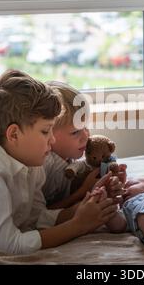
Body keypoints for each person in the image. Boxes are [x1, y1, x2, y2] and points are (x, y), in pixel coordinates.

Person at [0, 69, 118, 254]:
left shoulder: (31, 164)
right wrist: (78, 225)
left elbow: (37, 217)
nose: (52, 140)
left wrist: (83, 207)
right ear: (14, 134)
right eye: (46, 131)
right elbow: (8, 245)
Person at [42, 81, 127, 210]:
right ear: (48, 132)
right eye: (75, 132)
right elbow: (43, 214)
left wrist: (105, 185)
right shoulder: (44, 166)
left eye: (86, 127)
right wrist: (83, 191)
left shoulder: (70, 156)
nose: (86, 136)